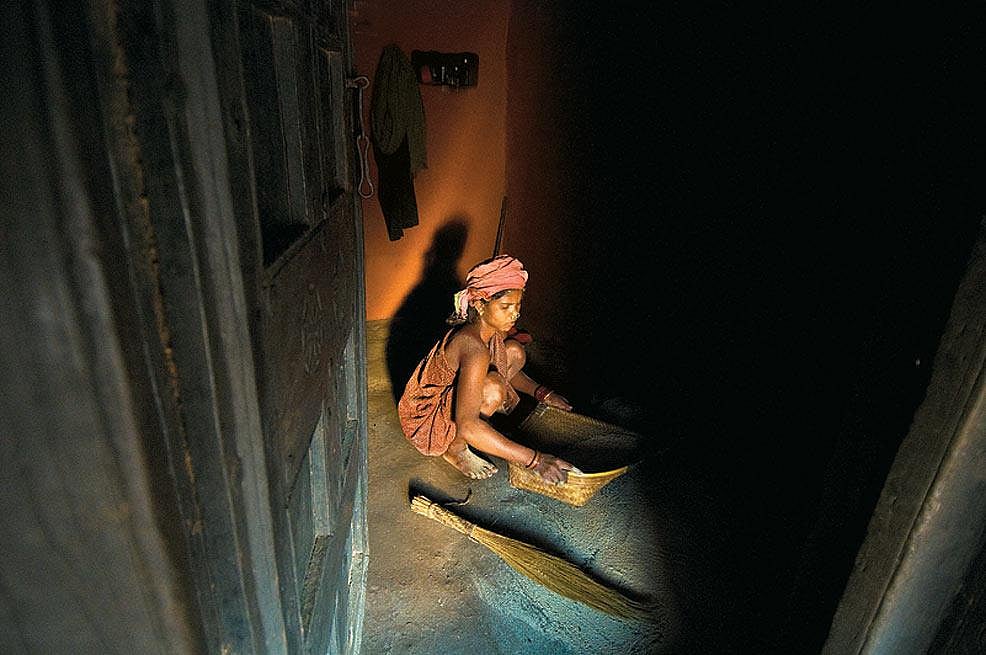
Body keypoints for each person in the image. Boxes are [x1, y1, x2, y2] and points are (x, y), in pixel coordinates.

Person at [398, 255, 576, 484]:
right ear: (480, 305)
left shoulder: (492, 330)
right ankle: (455, 448)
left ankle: (482, 425)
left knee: (514, 351)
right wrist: (537, 461)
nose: (514, 314)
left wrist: (544, 394)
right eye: (505, 306)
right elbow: (469, 425)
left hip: (454, 396)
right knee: (493, 389)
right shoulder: (473, 347)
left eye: (517, 306)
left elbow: (508, 371)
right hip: (426, 419)